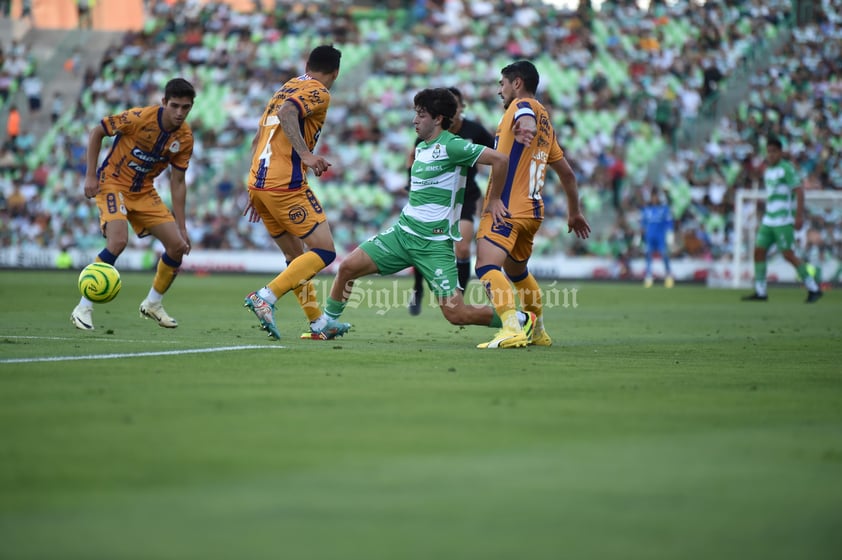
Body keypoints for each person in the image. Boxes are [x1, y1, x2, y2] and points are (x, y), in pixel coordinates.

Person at [308, 88, 536, 342]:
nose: (415, 120)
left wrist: (493, 200)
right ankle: (327, 323)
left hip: (434, 245)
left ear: (438, 119)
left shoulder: (454, 145)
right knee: (348, 267)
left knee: (456, 314)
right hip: (403, 234)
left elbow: (500, 160)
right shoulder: (420, 148)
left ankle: (522, 319)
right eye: (415, 114)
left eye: (421, 115)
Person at [474, 60, 591, 349]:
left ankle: (512, 328)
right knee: (518, 273)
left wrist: (524, 120)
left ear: (517, 83)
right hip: (532, 213)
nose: (500, 91)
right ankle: (537, 330)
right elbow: (568, 174)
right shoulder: (547, 124)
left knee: (487, 265)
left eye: (502, 84)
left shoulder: (521, 107)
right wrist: (574, 211)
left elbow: (524, 110)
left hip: (506, 209)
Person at [71, 78, 196, 330]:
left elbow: (178, 181)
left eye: (186, 107)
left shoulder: (184, 138)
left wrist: (182, 226)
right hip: (113, 183)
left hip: (143, 191)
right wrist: (90, 175)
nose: (180, 112)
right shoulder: (139, 118)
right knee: (118, 241)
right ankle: (83, 306)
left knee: (177, 246)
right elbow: (98, 131)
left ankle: (152, 303)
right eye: (175, 106)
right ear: (163, 102)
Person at [242, 45, 347, 340]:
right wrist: (306, 155)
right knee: (323, 251)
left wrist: (254, 188)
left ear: (307, 63)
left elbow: (258, 137)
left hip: (259, 182)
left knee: (294, 257)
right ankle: (266, 296)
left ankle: (318, 323)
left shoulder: (286, 87)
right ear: (336, 73)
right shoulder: (319, 91)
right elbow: (290, 114)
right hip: (284, 184)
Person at [406, 86, 495, 315]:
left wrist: (495, 194)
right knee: (419, 242)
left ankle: (459, 300)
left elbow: (497, 153)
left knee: (463, 248)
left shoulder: (473, 131)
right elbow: (414, 163)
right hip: (432, 200)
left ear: (461, 108)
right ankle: (418, 289)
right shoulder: (425, 138)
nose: (451, 111)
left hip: (463, 197)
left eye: (455, 106)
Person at [742, 136, 822, 303]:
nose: (770, 155)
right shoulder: (768, 170)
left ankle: (813, 288)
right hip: (768, 220)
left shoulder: (786, 168)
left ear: (780, 152)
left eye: (773, 151)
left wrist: (798, 215)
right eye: (768, 151)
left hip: (783, 221)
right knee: (758, 252)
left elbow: (799, 191)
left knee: (788, 255)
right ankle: (761, 292)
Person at [641, 188, 674, 288]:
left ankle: (668, 276)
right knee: (648, 256)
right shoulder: (647, 210)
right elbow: (643, 224)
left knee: (664, 255)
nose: (654, 199)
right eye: (653, 197)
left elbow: (669, 223)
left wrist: (670, 234)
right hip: (649, 237)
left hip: (660, 237)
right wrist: (641, 235)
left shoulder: (664, 209)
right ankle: (648, 277)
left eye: (656, 197)